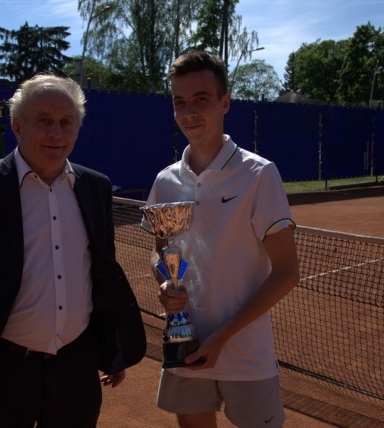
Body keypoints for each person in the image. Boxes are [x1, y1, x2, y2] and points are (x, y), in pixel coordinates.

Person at [0, 73, 146, 427]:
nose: (56, 133)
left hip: (76, 369)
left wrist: (111, 346)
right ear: (17, 126)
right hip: (1, 372)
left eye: (66, 122)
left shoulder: (95, 187)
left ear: (76, 130)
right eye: (44, 121)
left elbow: (101, 275)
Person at [142, 51, 300, 428]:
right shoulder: (166, 181)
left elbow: (287, 272)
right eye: (180, 102)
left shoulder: (259, 175)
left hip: (246, 353)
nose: (189, 111)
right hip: (185, 345)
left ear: (224, 103)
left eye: (201, 99)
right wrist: (164, 280)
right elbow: (160, 253)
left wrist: (222, 337)